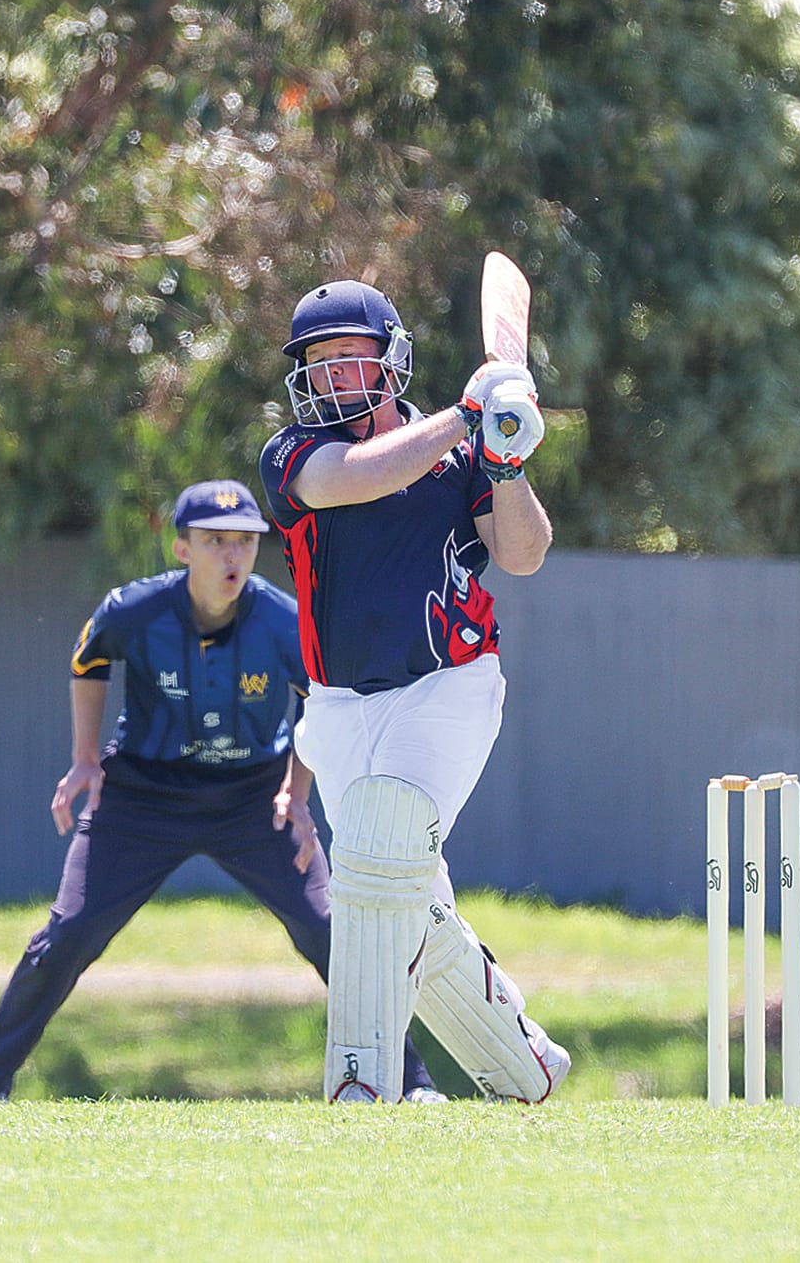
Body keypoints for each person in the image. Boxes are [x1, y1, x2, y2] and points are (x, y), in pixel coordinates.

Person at [0, 479, 444, 1102]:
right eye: (215, 542)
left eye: (244, 541)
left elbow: (320, 706)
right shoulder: (133, 610)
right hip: (142, 796)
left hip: (254, 799)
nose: (232, 556)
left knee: (332, 933)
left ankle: (414, 1085)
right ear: (182, 547)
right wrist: (84, 760)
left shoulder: (282, 621)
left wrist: (296, 794)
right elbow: (89, 663)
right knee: (70, 934)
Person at [257, 278, 573, 1103]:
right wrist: (467, 417)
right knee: (391, 893)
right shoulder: (293, 455)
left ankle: (360, 1084)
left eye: (347, 358)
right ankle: (520, 1062)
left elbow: (525, 552)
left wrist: (505, 462)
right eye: (317, 364)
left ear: (389, 360)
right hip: (335, 707)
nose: (332, 377)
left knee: (384, 839)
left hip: (448, 688)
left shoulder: (459, 458)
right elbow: (355, 480)